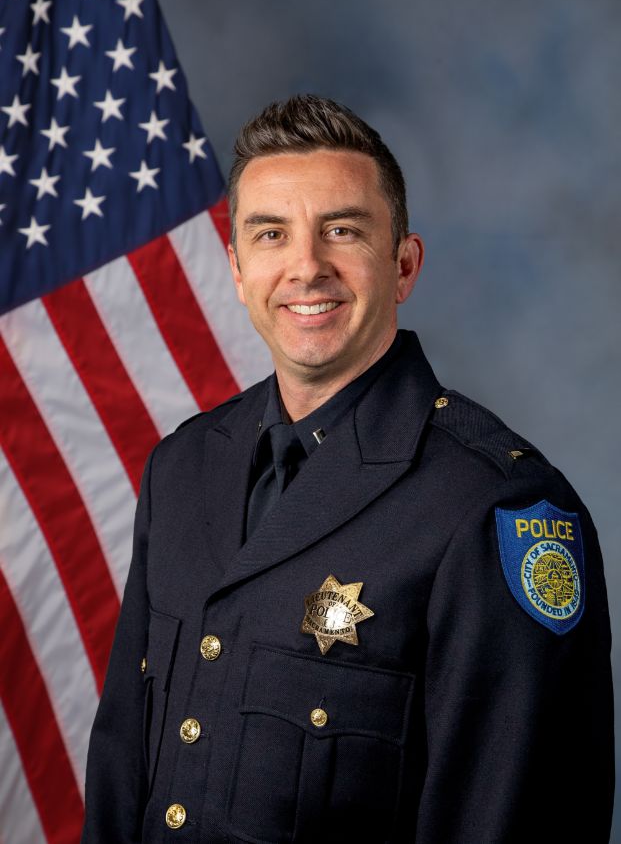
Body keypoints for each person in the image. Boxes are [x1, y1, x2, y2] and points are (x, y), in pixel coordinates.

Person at [81, 95, 614, 843]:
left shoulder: (497, 507)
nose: (305, 266)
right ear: (236, 269)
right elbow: (118, 773)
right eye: (271, 234)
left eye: (341, 229)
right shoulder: (182, 468)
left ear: (402, 265)